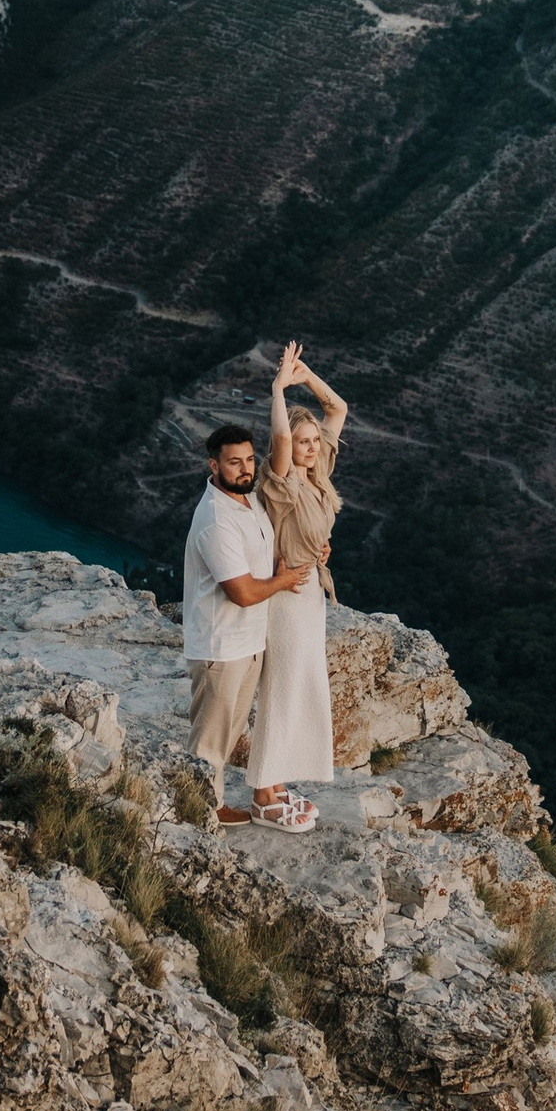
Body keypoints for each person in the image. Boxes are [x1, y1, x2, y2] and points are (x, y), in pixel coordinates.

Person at [182, 418, 315, 829]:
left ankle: (210, 803)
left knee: (229, 729)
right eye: (233, 462)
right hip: (221, 645)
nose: (244, 468)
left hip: (248, 641)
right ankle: (197, 809)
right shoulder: (215, 519)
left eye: (249, 460)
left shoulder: (250, 500)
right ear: (213, 466)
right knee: (210, 738)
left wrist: (314, 546)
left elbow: (273, 541)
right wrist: (285, 581)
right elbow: (240, 592)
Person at [252, 339, 347, 800]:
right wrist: (278, 392)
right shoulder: (283, 479)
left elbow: (338, 408)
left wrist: (306, 376)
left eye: (314, 441)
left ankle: (277, 780)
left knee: (301, 683)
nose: (310, 447)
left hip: (311, 593)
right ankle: (262, 792)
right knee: (283, 687)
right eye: (304, 442)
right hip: (285, 597)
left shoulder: (317, 473)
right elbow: (283, 440)